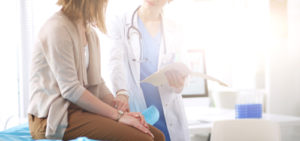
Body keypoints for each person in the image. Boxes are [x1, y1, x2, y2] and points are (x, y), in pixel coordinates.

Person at [27, 0, 165, 140]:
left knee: (157, 136)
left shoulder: (89, 32)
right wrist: (118, 116)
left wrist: (118, 106)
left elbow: (97, 83)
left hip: (78, 110)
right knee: (144, 139)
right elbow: (71, 89)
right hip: (52, 117)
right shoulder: (57, 28)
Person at [107, 0, 190, 140]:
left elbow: (184, 68)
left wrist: (181, 82)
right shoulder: (121, 22)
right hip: (138, 109)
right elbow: (115, 61)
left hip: (169, 113)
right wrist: (121, 92)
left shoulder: (175, 29)